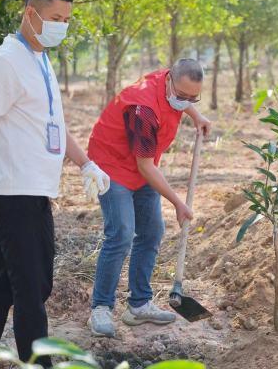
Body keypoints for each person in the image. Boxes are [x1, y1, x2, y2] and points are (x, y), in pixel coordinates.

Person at [0, 0, 109, 364]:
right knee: (30, 290)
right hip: (11, 195)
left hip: (36, 192)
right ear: (31, 14)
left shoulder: (41, 60)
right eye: (55, 17)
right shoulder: (4, 62)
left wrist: (86, 163)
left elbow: (55, 126)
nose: (62, 25)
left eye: (66, 19)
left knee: (9, 287)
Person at [86, 58, 211, 337]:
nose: (186, 101)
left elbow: (181, 98)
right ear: (169, 82)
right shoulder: (143, 108)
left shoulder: (172, 82)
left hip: (141, 164)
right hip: (112, 164)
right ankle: (101, 308)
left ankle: (138, 305)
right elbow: (145, 166)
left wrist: (196, 115)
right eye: (182, 97)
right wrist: (178, 202)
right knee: (121, 234)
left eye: (194, 97)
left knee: (152, 231)